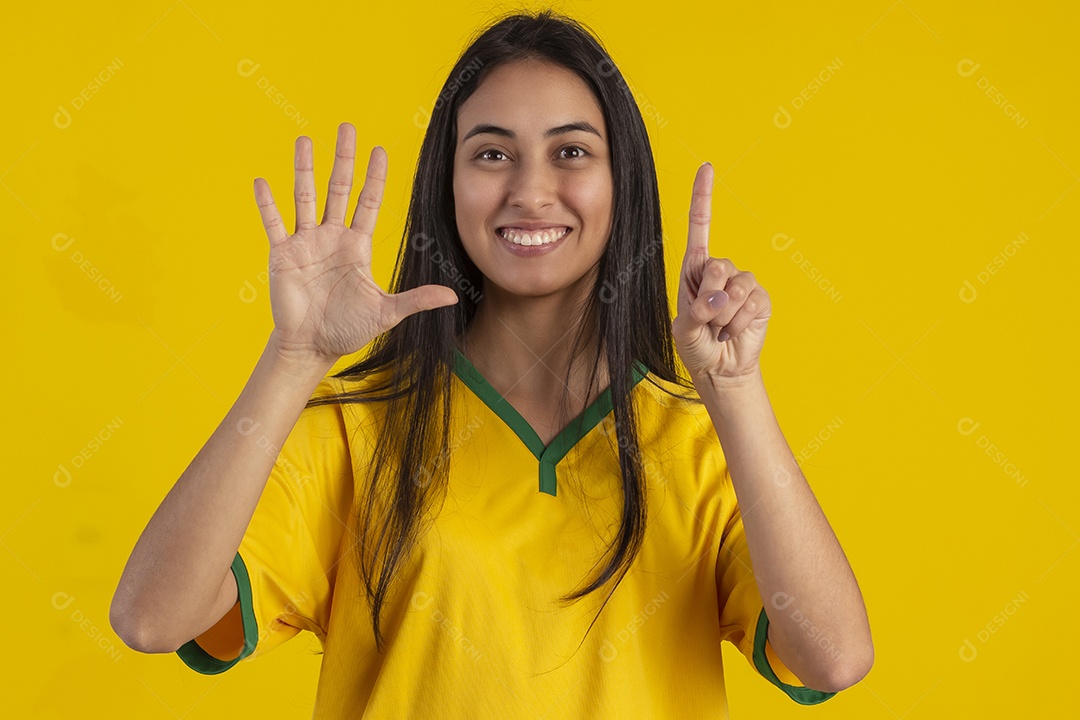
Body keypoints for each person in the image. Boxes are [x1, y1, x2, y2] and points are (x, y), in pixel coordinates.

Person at [110, 9, 872, 718]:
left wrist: (734, 390)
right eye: (492, 154)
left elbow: (832, 657)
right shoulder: (356, 430)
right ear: (449, 184)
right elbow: (151, 617)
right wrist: (293, 359)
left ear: (623, 182)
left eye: (571, 152)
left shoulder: (704, 442)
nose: (531, 191)